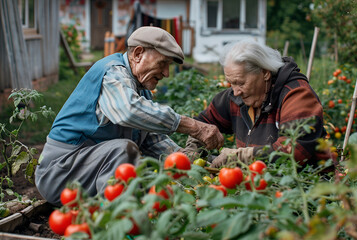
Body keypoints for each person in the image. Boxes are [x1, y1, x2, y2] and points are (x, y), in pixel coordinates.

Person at [35, 26, 224, 206]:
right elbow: (128, 110)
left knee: (139, 167)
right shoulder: (112, 72)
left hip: (83, 172)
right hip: (59, 173)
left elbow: (154, 141)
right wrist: (193, 126)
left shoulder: (140, 91)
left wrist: (198, 161)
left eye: (169, 66)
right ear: (138, 54)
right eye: (163, 63)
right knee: (123, 150)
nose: (166, 73)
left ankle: (113, 215)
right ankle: (113, 222)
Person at [183, 39, 331, 168]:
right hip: (259, 186)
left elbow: (293, 151)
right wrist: (192, 151)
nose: (235, 92)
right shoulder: (236, 98)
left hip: (305, 189)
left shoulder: (296, 95)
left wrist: (241, 156)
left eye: (240, 83)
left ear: (265, 73)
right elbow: (203, 124)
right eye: (231, 83)